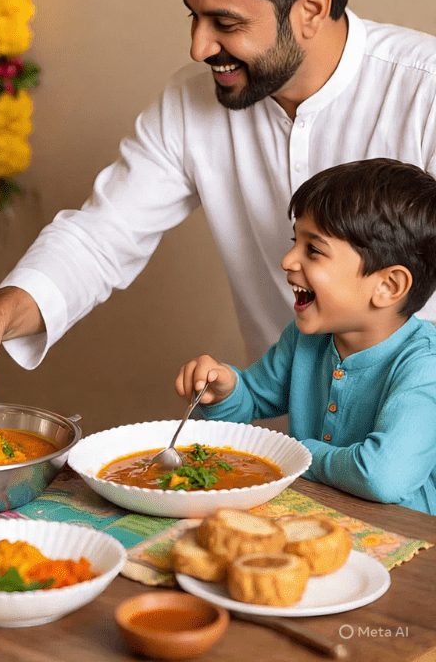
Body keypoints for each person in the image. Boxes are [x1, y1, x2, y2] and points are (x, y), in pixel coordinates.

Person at [0, 0, 436, 405]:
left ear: (312, 9)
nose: (198, 46)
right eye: (194, 15)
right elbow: (100, 238)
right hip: (278, 437)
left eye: (225, 22)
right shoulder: (190, 102)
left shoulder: (426, 91)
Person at [175, 158, 436, 514]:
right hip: (320, 517)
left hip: (408, 535)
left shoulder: (425, 367)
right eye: (294, 242)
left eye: (313, 249)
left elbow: (383, 476)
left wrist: (296, 454)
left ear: (388, 286)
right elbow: (251, 400)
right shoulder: (306, 339)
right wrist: (226, 389)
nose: (287, 260)